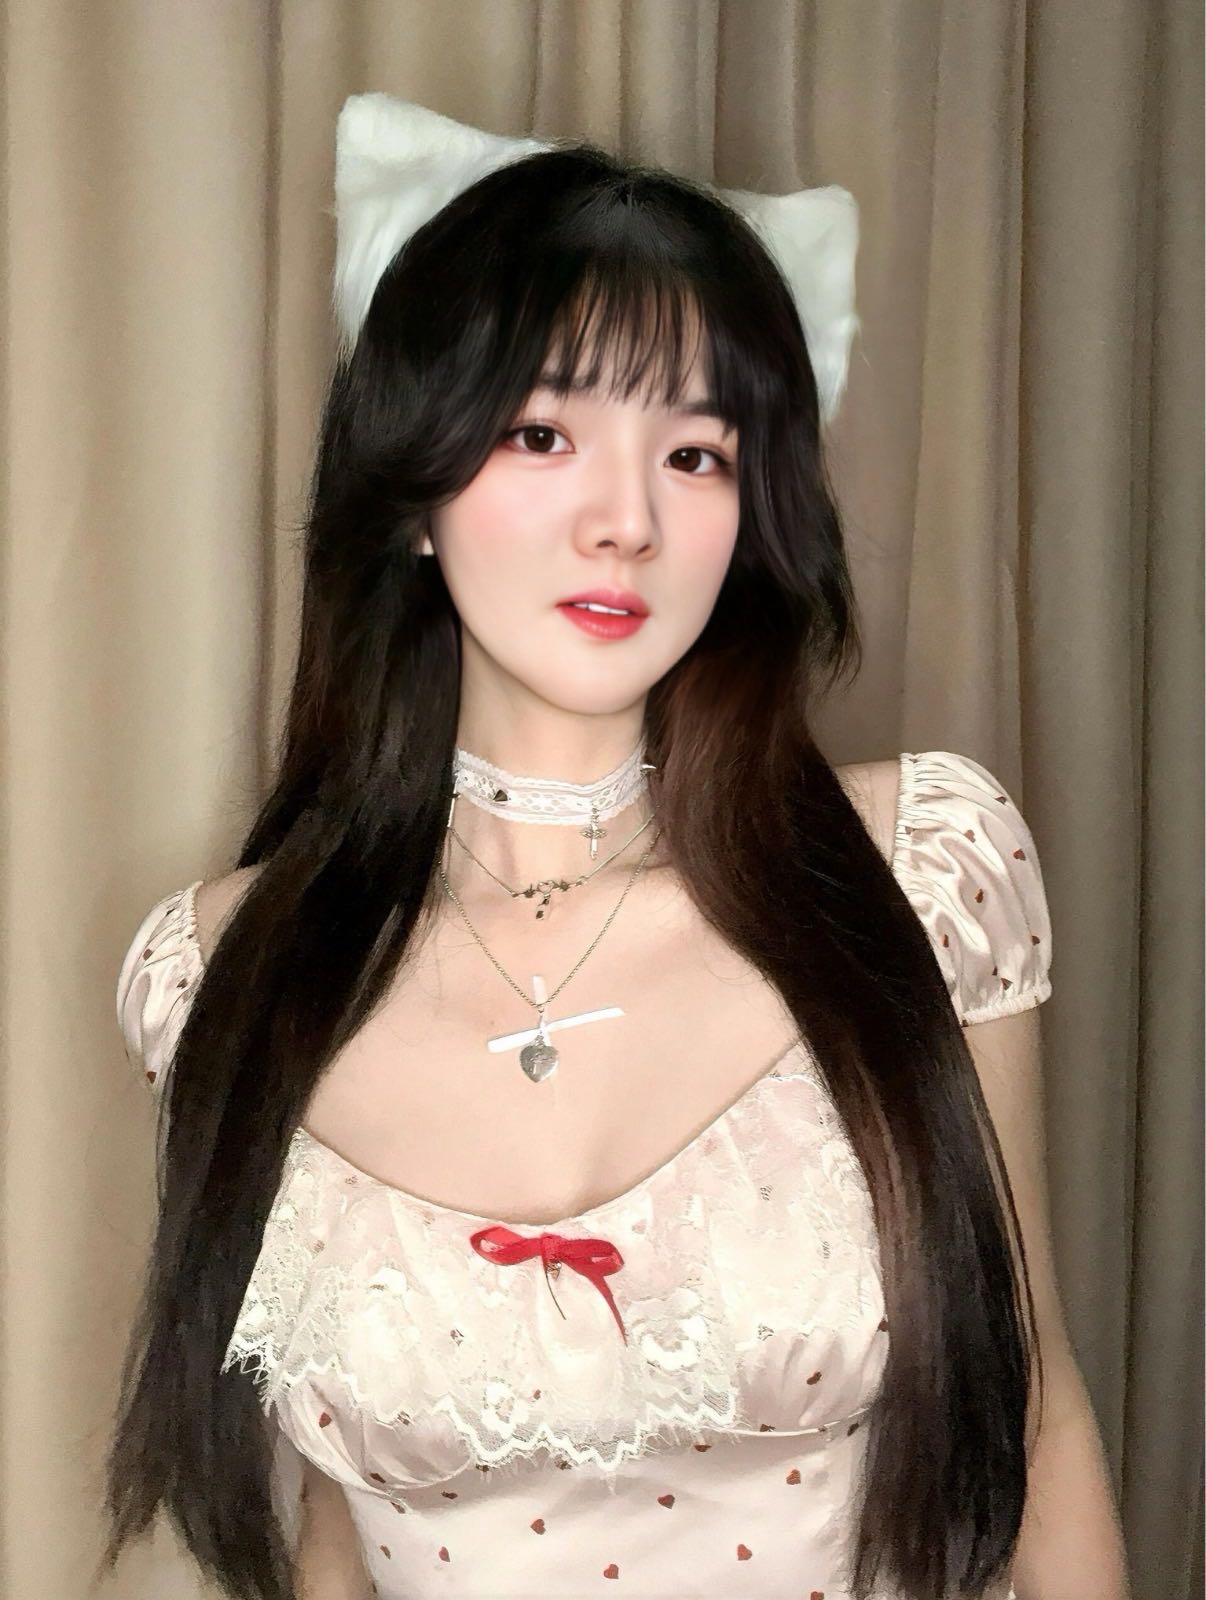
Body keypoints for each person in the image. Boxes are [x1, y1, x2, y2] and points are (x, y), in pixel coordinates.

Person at [104, 140, 1058, 1600]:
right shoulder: (222, 974)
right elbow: (334, 1529)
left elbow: (1039, 1425)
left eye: (696, 454)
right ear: (411, 488)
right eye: (543, 433)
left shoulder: (925, 874)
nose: (628, 519)